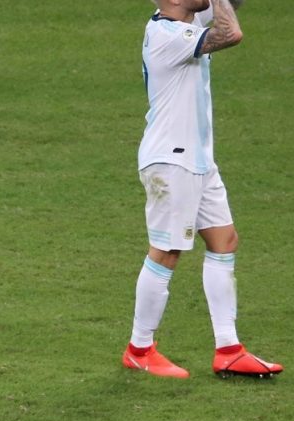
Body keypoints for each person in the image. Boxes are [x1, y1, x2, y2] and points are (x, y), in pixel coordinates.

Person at [123, 0, 281, 379]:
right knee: (167, 251)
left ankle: (228, 348)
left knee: (224, 241)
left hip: (197, 160)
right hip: (171, 161)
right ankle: (139, 349)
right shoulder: (166, 33)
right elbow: (231, 32)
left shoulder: (187, 19)